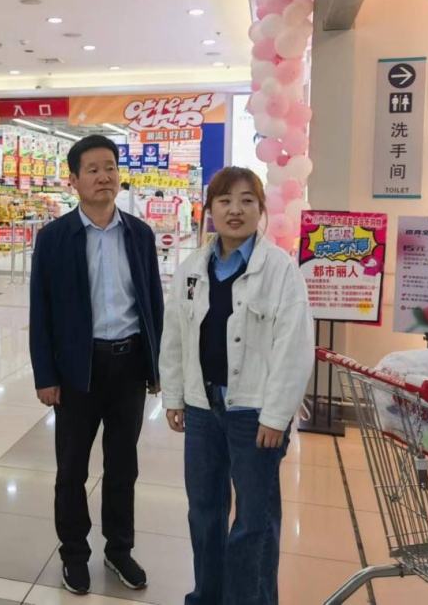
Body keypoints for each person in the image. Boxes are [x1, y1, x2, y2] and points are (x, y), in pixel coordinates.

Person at [159, 167, 314, 605]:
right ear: (210, 209)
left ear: (261, 209)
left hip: (255, 414)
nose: (235, 210)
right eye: (225, 200)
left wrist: (277, 416)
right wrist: (174, 397)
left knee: (253, 521)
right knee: (204, 513)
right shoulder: (192, 268)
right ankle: (206, 597)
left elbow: (294, 348)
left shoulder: (279, 270)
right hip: (202, 408)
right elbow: (175, 337)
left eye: (247, 200)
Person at [30, 135, 164, 596]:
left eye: (110, 167)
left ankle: (119, 549)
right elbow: (41, 310)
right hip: (77, 370)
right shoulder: (54, 238)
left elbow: (153, 303)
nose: (104, 177)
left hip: (128, 366)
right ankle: (74, 553)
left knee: (123, 465)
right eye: (93, 169)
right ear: (73, 180)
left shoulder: (139, 234)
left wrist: (156, 367)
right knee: (71, 468)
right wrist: (45, 375)